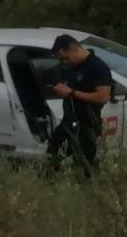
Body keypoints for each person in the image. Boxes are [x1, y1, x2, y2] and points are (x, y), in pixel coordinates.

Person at [48, 33, 114, 172]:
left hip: (87, 123)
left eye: (66, 58)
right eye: (61, 60)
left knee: (83, 166)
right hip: (69, 121)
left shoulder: (97, 67)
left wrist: (71, 92)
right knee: (52, 156)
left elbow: (102, 97)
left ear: (75, 49)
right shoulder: (71, 66)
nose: (65, 62)